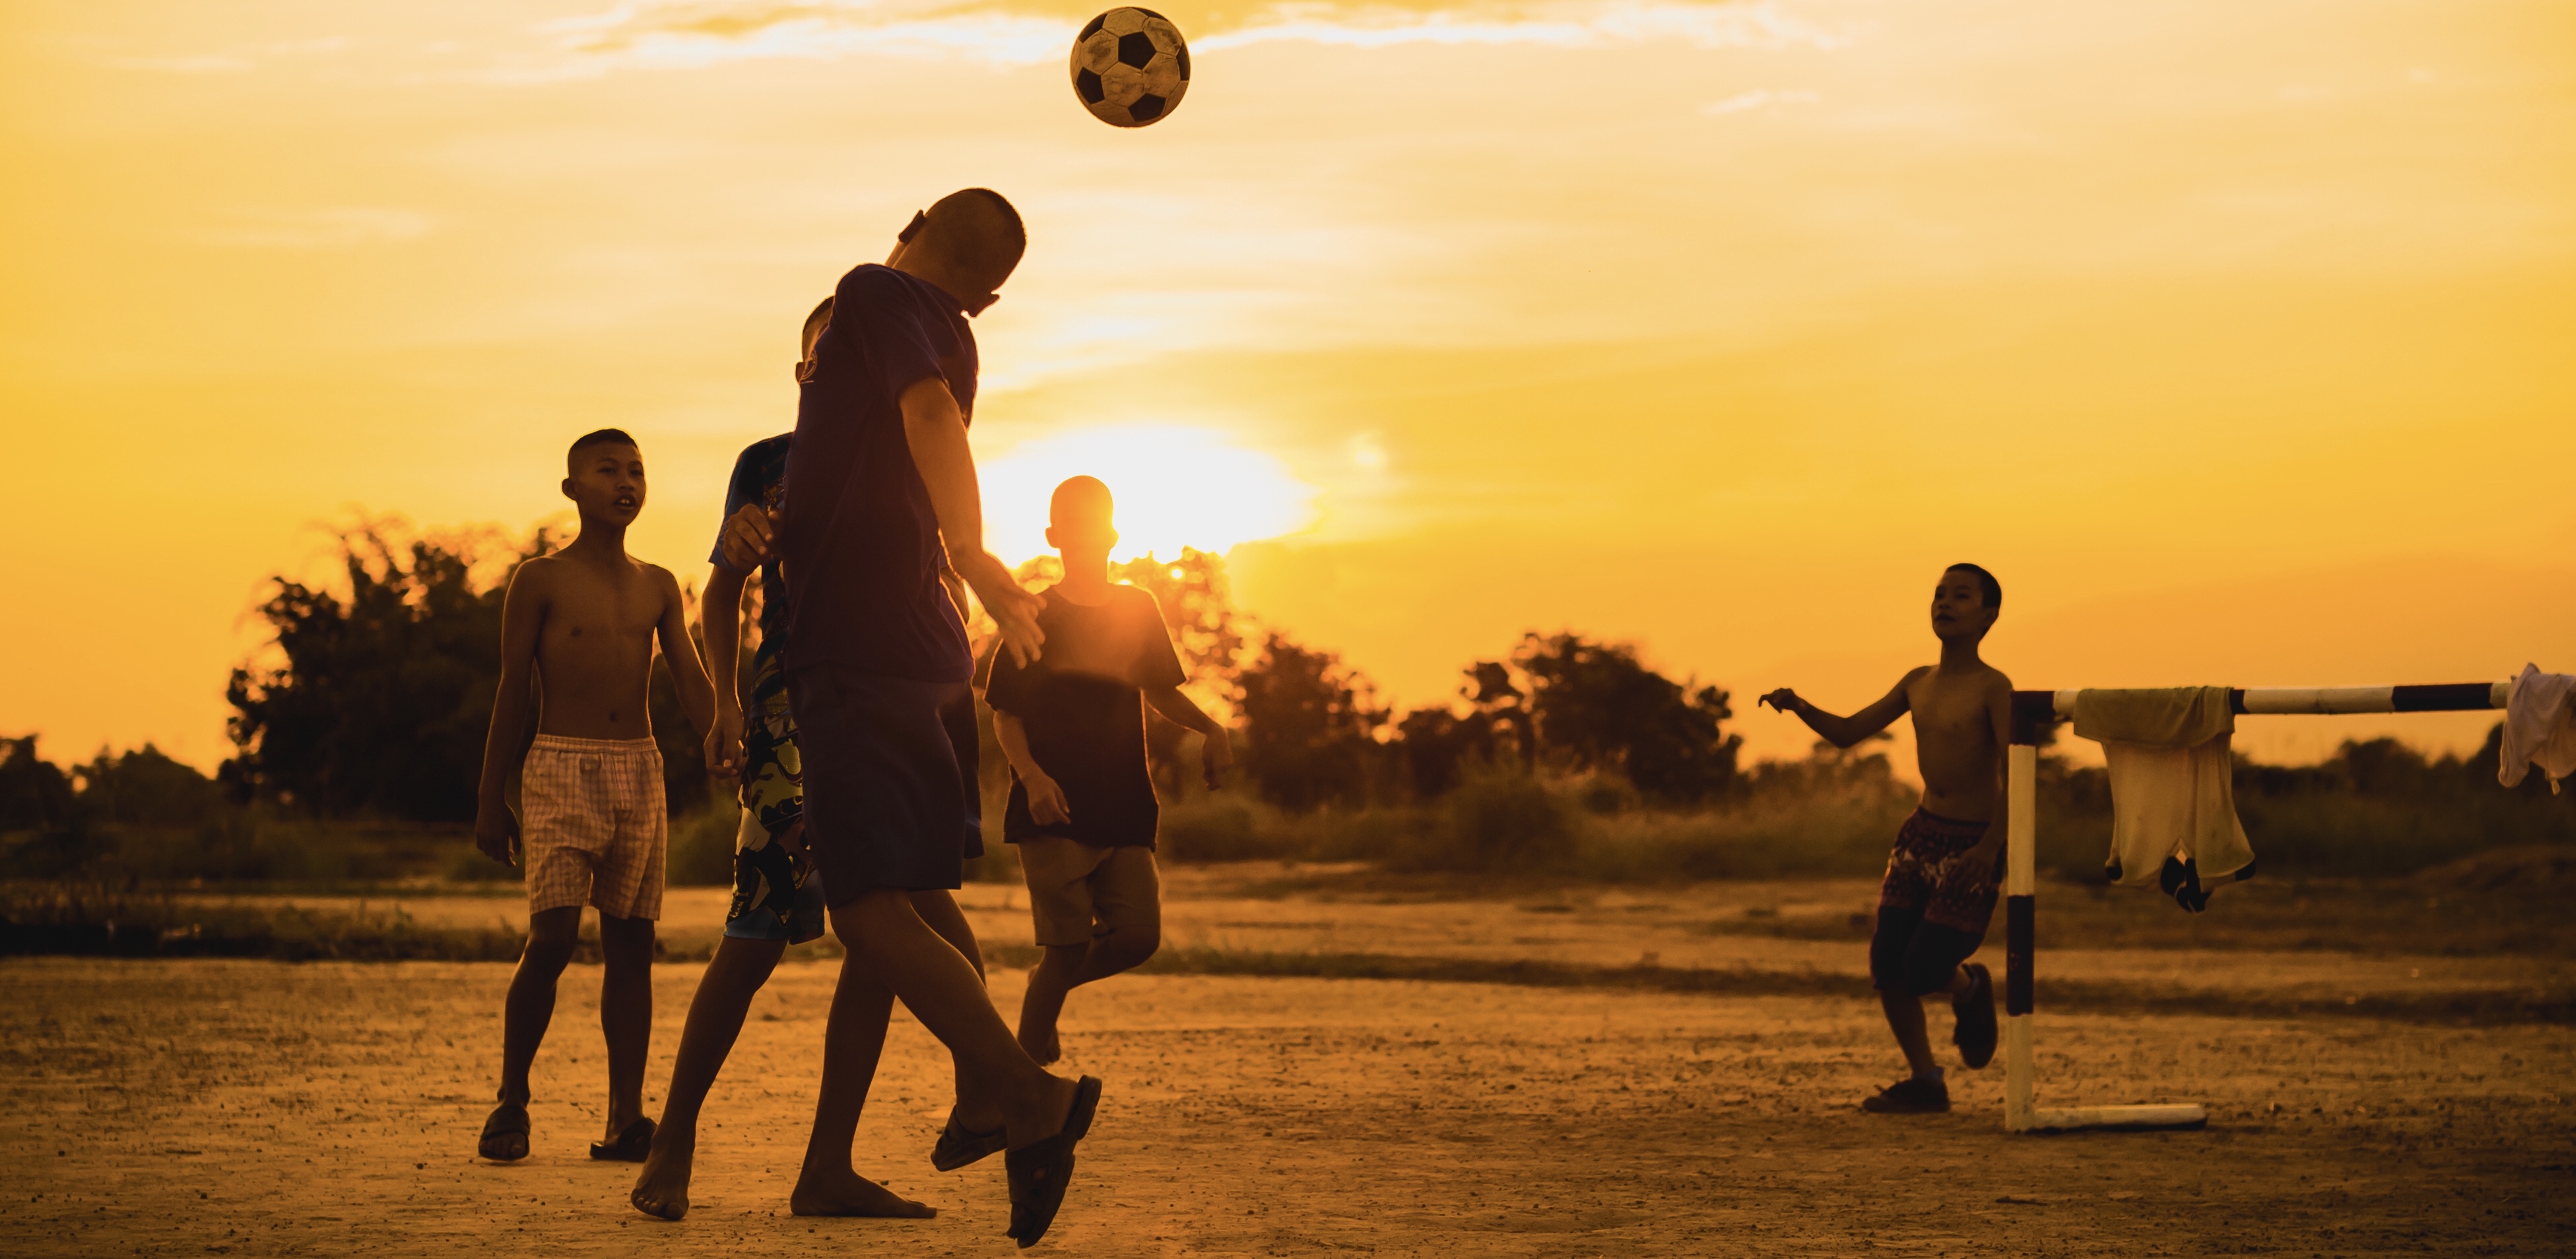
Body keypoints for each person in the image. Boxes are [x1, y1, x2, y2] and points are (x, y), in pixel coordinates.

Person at [731, 189, 1099, 1248]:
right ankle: (983, 1104)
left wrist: (975, 554)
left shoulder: (873, 294)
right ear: (985, 300)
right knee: (920, 905)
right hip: (921, 656)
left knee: (865, 910)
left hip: (859, 651)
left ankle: (1027, 1096)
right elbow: (894, 448)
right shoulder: (949, 340)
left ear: (917, 218)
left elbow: (926, 422)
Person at [628, 301, 999, 1221]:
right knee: (756, 935)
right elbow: (721, 589)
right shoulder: (770, 466)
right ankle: (670, 1143)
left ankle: (833, 1164)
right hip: (800, 710)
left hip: (901, 707)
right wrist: (721, 698)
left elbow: (944, 577)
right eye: (828, 356)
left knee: (900, 926)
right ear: (807, 373)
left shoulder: (919, 447)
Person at [471, 428, 718, 1162]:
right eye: (608, 470)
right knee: (550, 940)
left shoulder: (658, 584)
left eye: (637, 470)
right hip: (558, 769)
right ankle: (511, 1101)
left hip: (638, 772)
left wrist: (725, 739)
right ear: (573, 489)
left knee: (631, 948)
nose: (626, 481)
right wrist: (492, 797)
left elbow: (690, 677)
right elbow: (513, 689)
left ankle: (624, 1118)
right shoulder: (540, 581)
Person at [982, 476, 1230, 1065]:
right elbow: (1005, 716)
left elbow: (1161, 693)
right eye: (1073, 526)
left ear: (1114, 534)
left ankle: (1044, 989)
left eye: (1097, 526)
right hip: (1055, 809)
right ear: (1053, 535)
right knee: (1065, 950)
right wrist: (1032, 779)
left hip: (1124, 805)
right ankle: (1022, 1084)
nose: (1087, 537)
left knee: (1139, 938)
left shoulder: (1136, 608)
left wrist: (1213, 730)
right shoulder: (1034, 613)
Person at [1758, 564, 2010, 1115]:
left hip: (1971, 842)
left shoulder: (1994, 688)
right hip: (1920, 834)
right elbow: (1849, 733)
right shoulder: (1917, 680)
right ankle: (1926, 1081)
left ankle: (1968, 987)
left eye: (1960, 596)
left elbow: (2018, 774)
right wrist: (1800, 706)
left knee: (1923, 967)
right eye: (1939, 594)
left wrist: (1990, 847)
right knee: (1886, 964)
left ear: (1988, 615)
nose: (1944, 603)